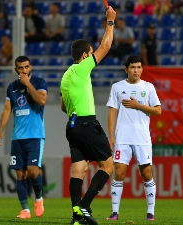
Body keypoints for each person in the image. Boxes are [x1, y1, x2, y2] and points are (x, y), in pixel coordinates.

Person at [60, 6, 116, 225]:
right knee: (108, 165)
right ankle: (84, 206)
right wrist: (110, 21)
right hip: (86, 123)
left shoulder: (66, 76)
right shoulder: (81, 69)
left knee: (79, 169)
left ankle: (76, 217)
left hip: (72, 125)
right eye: (90, 53)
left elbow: (63, 107)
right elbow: (107, 45)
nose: (93, 56)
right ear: (84, 56)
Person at [106, 55, 161, 221]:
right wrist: (111, 137)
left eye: (138, 67)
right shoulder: (117, 87)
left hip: (142, 138)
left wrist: (138, 105)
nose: (136, 70)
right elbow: (112, 112)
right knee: (120, 173)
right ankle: (115, 212)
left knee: (146, 174)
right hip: (122, 137)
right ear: (126, 69)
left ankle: (150, 212)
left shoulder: (149, 87)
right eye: (132, 67)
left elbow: (158, 110)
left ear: (142, 69)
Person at [0, 55, 47, 219]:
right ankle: (25, 210)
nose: (24, 70)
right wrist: (0, 130)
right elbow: (7, 110)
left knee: (33, 171)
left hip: (35, 135)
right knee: (20, 174)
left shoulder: (39, 83)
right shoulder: (12, 87)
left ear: (30, 67)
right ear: (16, 70)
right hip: (17, 137)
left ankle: (39, 198)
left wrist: (28, 84)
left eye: (26, 67)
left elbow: (41, 101)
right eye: (21, 68)